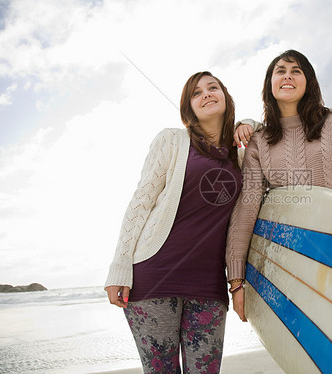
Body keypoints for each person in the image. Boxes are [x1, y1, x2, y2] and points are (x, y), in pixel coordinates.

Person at [225, 49, 332, 322]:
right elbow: (247, 208)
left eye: (296, 71)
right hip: (293, 266)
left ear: (308, 81)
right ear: (270, 83)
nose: (287, 76)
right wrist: (236, 281)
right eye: (280, 71)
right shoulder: (260, 141)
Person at [105, 71, 252, 373]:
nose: (207, 94)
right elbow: (141, 202)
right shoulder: (172, 140)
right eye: (197, 93)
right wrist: (119, 266)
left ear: (226, 97)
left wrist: (249, 123)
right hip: (153, 278)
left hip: (209, 285)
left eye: (213, 88)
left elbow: (267, 134)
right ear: (189, 107)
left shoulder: (241, 157)